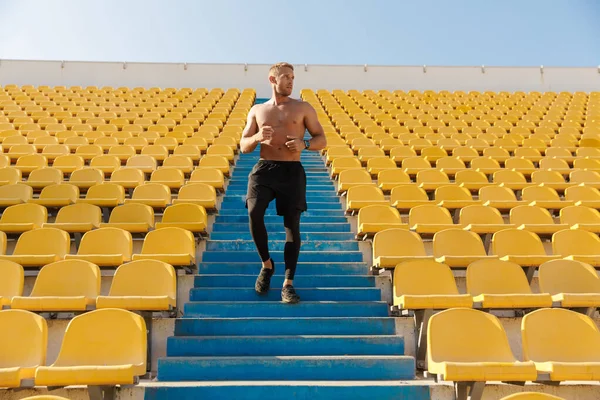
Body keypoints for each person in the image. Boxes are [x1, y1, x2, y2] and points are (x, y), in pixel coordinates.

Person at [239, 62, 327, 304]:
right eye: (286, 77)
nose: (291, 81)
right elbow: (243, 146)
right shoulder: (257, 110)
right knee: (254, 212)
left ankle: (288, 283)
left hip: (292, 170)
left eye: (293, 77)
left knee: (292, 226)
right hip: (264, 169)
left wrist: (305, 144)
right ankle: (267, 265)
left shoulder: (303, 108)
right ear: (272, 79)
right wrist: (257, 137)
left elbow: (322, 138)